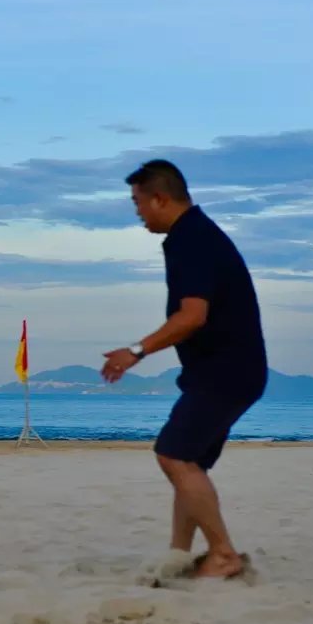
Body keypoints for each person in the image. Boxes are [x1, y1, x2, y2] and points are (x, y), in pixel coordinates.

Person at [101, 159, 267, 579]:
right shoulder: (196, 234)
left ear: (159, 198)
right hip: (232, 370)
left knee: (173, 456)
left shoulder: (190, 239)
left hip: (225, 372)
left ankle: (224, 555)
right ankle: (180, 554)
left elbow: (193, 316)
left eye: (138, 202)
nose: (137, 211)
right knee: (188, 462)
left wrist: (135, 351)